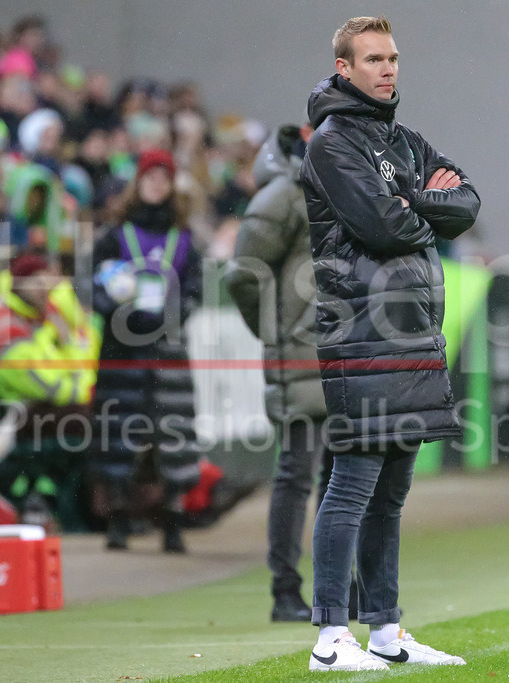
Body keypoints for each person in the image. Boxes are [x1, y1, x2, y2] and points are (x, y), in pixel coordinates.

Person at [299, 15, 479, 671]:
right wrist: (417, 201)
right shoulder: (331, 142)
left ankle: (384, 630)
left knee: (391, 492)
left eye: (393, 57)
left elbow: (467, 203)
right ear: (343, 68)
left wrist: (413, 202)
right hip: (360, 331)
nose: (388, 69)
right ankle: (328, 638)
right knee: (352, 486)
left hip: (410, 331)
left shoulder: (403, 140)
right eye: (373, 58)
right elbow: (380, 224)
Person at [224, 123, 335, 622]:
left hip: (344, 354)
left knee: (337, 477)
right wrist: (278, 332)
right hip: (302, 356)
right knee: (300, 473)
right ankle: (286, 591)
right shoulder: (284, 196)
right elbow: (243, 277)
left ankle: (330, 591)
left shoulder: (324, 189)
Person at [91, 148, 203, 553]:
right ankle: (117, 518)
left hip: (168, 349)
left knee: (172, 435)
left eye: (163, 178)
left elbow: (195, 290)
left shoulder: (185, 239)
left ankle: (172, 520)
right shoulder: (114, 235)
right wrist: (117, 311)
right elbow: (92, 286)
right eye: (150, 177)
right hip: (122, 348)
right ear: (137, 183)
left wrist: (172, 318)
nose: (156, 184)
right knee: (117, 433)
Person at [0, 250, 101, 528]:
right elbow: (42, 383)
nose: (44, 289)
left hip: (43, 410)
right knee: (99, 420)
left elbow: (75, 364)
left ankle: (93, 509)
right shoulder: (4, 323)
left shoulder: (43, 318)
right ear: (18, 284)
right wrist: (79, 391)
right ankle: (85, 512)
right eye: (36, 282)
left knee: (107, 419)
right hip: (17, 414)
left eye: (47, 282)